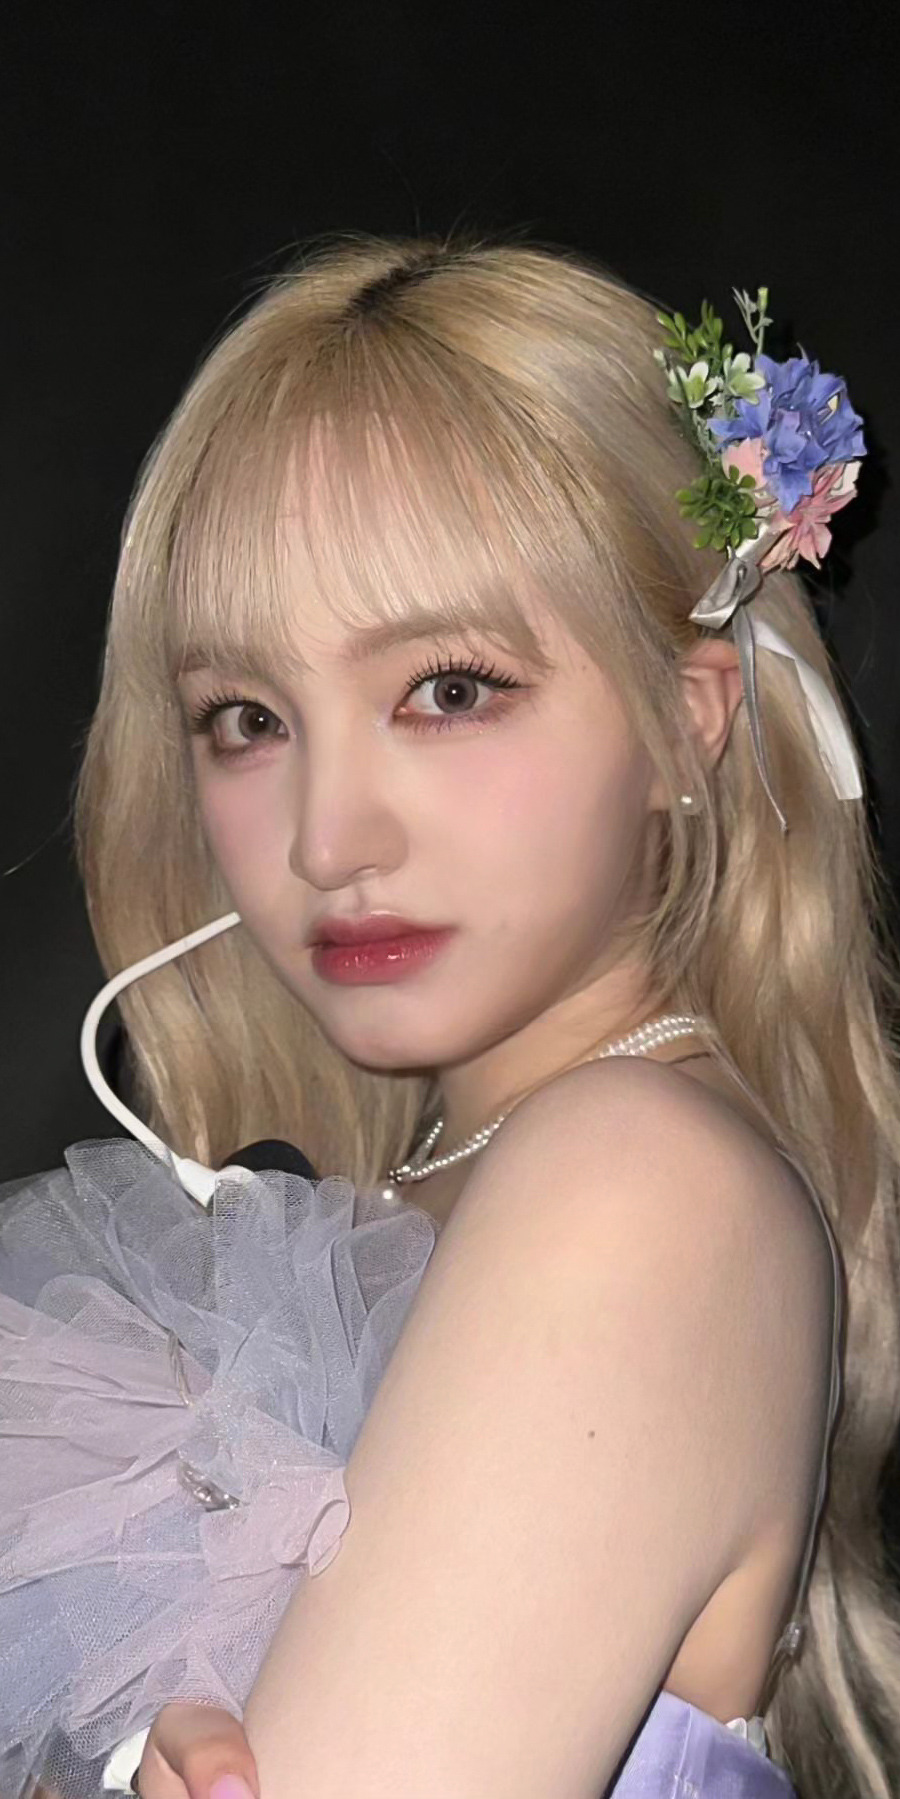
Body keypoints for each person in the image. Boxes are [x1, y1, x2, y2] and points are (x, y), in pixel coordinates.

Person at [2, 229, 899, 1799]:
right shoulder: (436, 1194)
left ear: (688, 719)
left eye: (450, 689)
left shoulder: (634, 1186)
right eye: (248, 717)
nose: (326, 837)